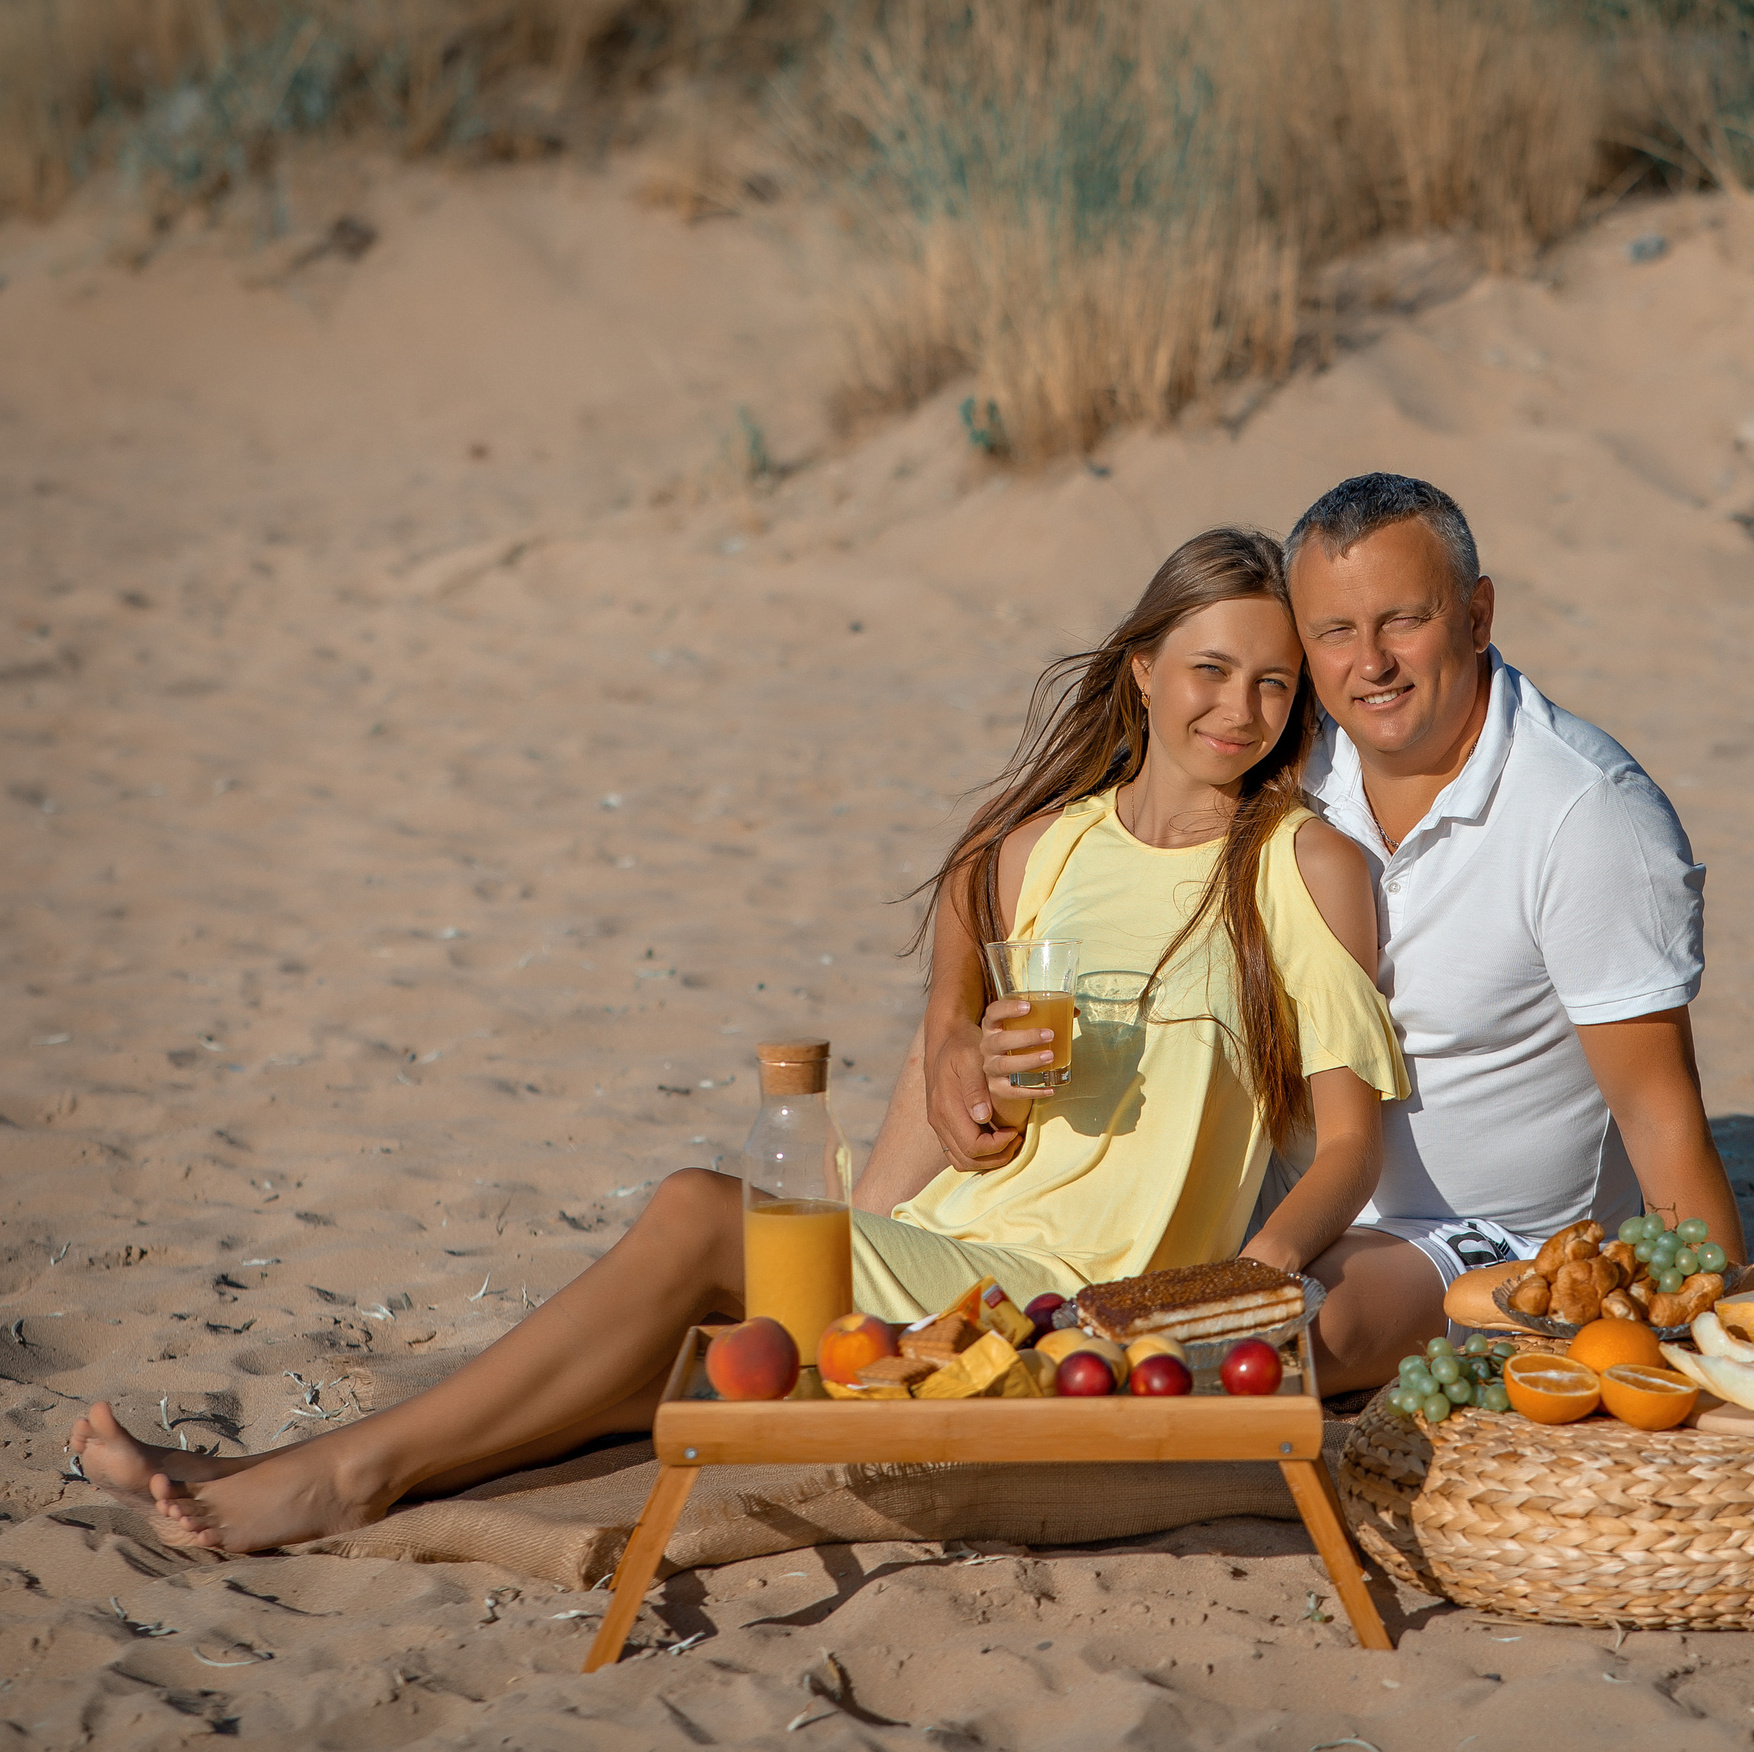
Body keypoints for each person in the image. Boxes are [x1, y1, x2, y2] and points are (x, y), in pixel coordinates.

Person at [69, 528, 1405, 1553]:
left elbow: (1350, 1139)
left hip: (1100, 1299)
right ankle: (306, 1469)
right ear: (1143, 669)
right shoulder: (1038, 854)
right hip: (965, 1254)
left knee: (695, 1223)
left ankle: (333, 1474)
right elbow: (944, 1033)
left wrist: (1252, 1276)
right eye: (1209, 671)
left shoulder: (1302, 864)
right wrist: (946, 1078)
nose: (1237, 709)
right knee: (678, 1302)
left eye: (1274, 685)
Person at [888, 474, 1745, 1389]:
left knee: (1247, 1348)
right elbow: (1013, 848)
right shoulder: (1293, 746)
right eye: (1333, 632)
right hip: (1267, 1196)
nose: (1368, 664)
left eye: (1402, 621)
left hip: (1475, 1238)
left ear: (1478, 615)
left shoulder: (1584, 817)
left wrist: (1721, 1349)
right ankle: (862, 1247)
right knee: (964, 1083)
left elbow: (1662, 1120)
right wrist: (949, 1014)